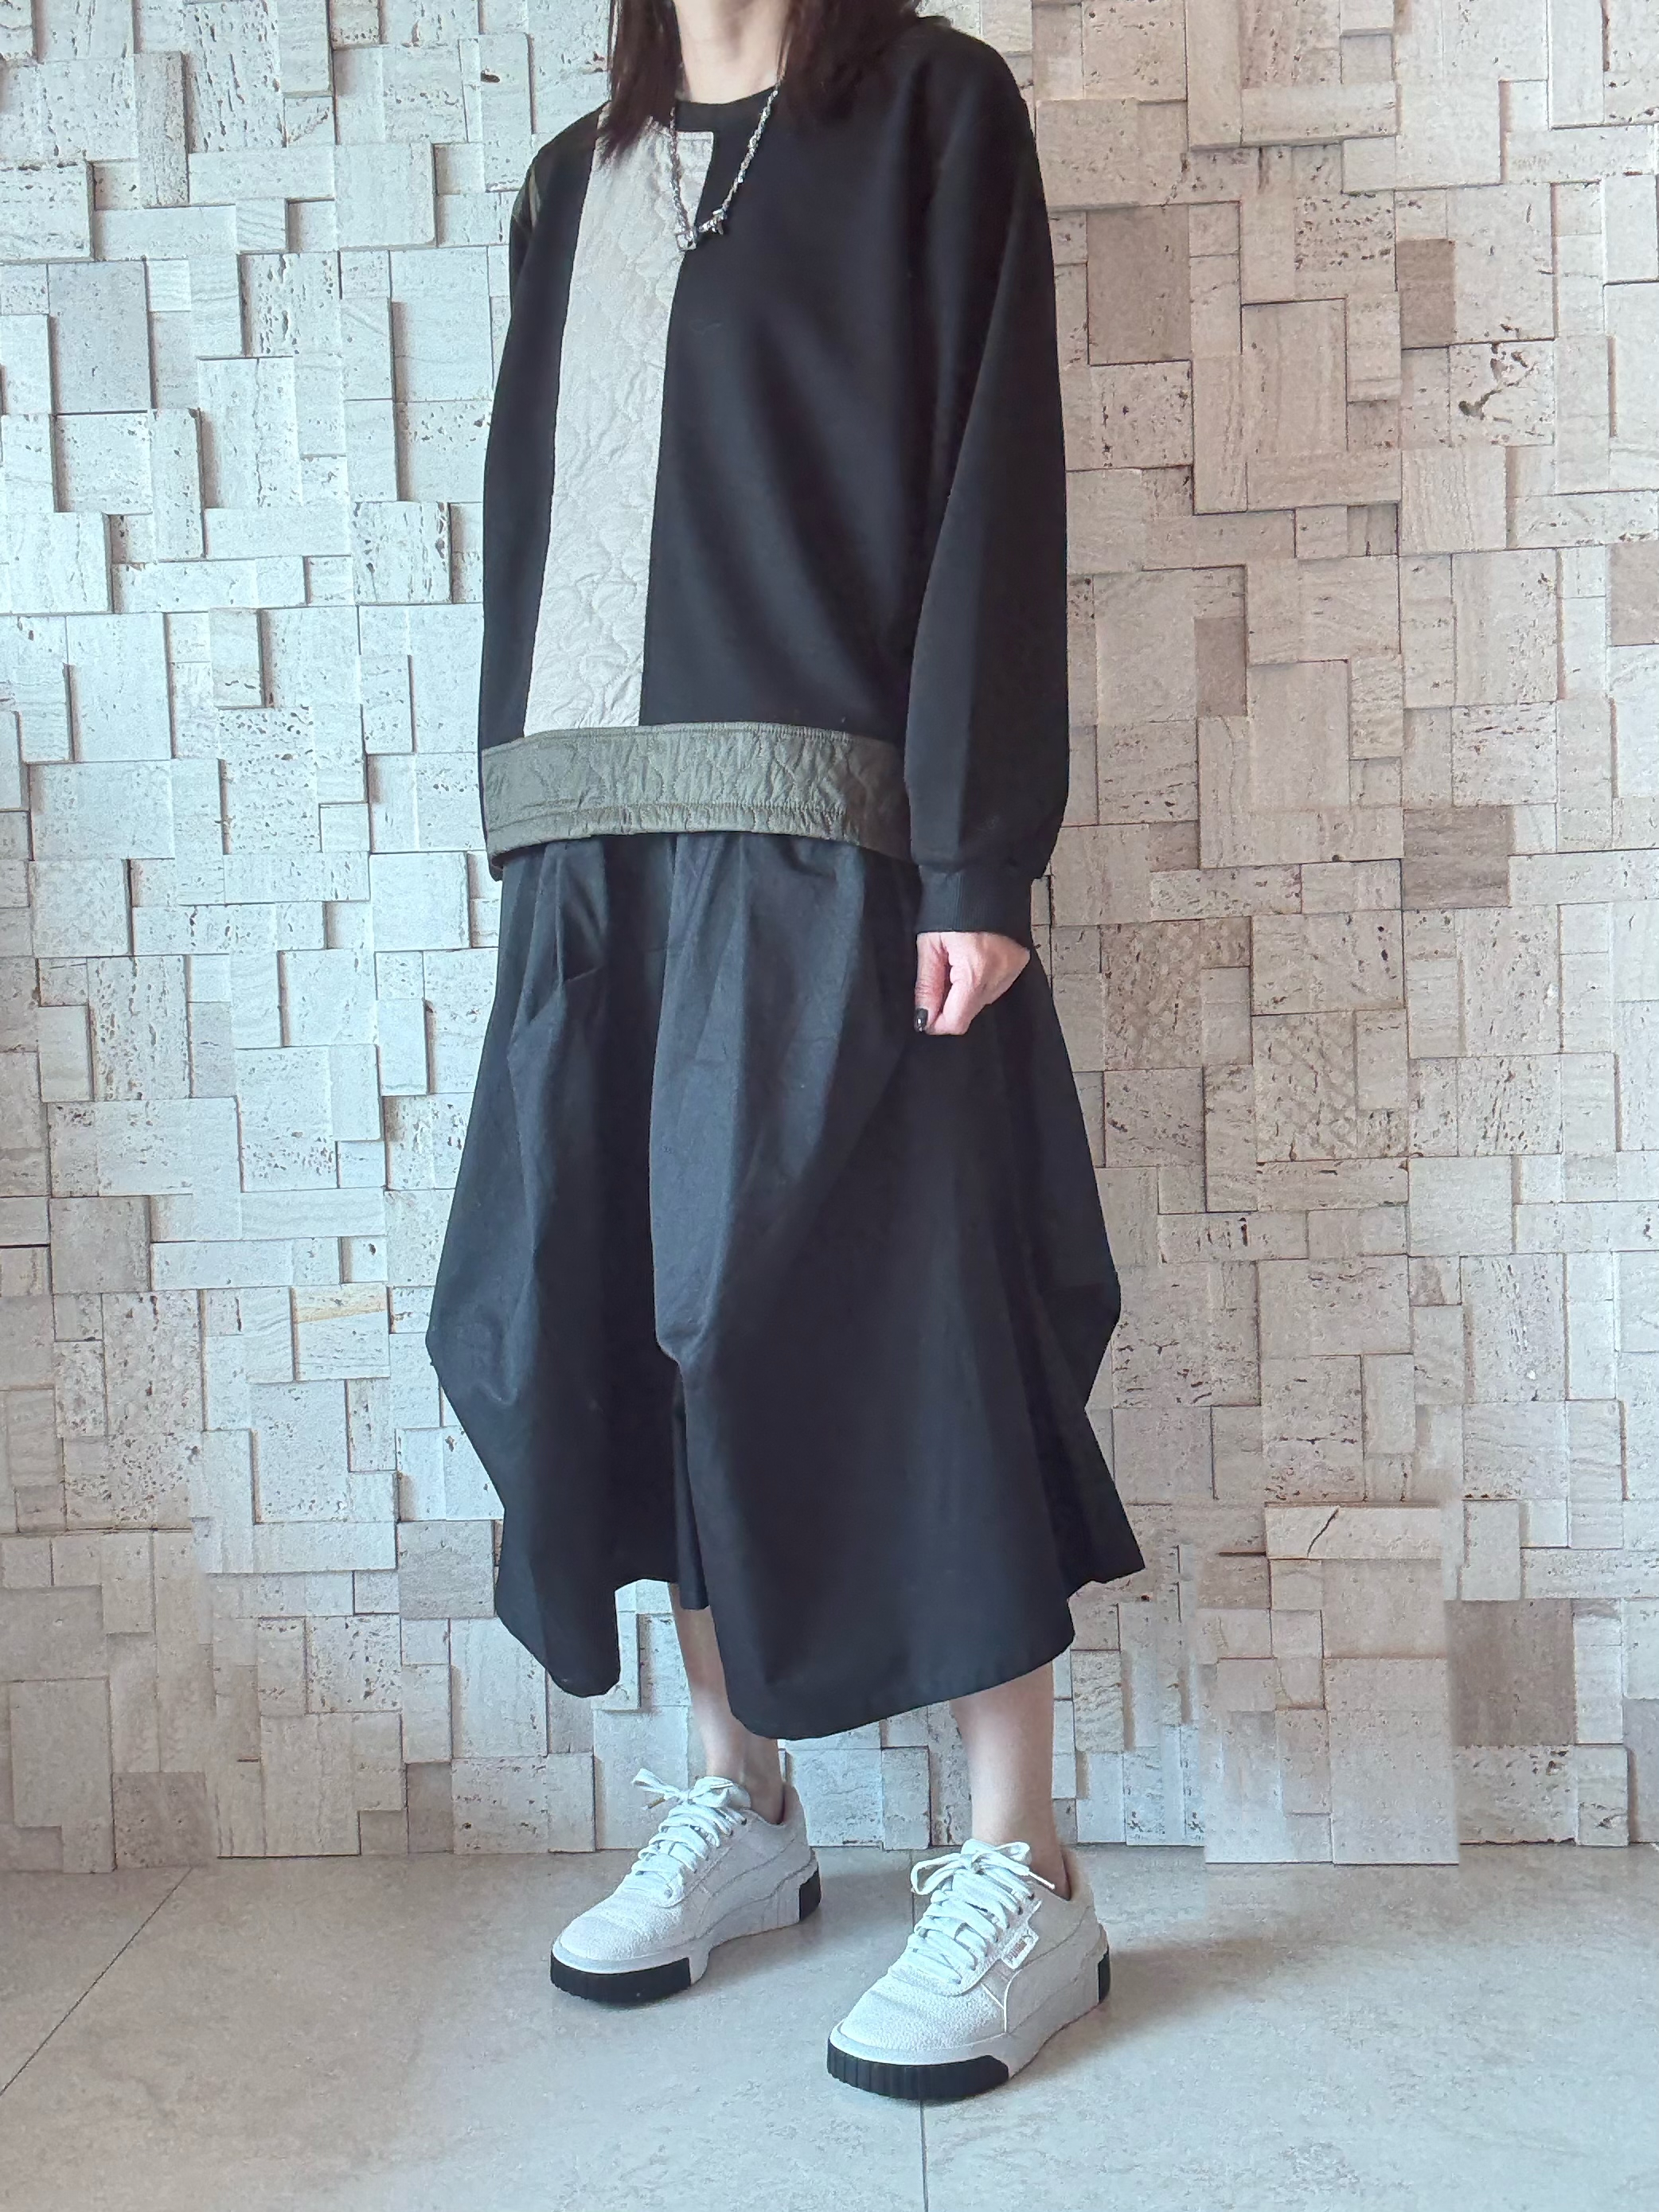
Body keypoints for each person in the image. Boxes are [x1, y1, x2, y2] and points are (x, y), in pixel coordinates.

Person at [426, 0, 1145, 2101]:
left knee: (914, 1318)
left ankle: (1021, 1859)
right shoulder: (569, 188)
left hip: (840, 838)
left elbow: (992, 488)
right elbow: (538, 529)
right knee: (629, 1322)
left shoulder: (933, 115)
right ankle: (736, 1798)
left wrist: (977, 856)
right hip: (592, 849)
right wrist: (529, 839)